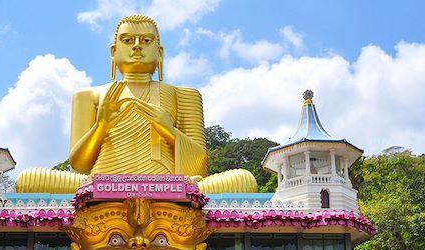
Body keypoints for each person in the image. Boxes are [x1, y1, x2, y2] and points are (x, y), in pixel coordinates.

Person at [14, 14, 257, 194]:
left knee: (244, 180)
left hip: (170, 186)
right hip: (101, 184)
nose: (137, 46)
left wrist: (170, 132)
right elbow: (79, 165)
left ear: (159, 53)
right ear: (113, 51)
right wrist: (101, 127)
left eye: (146, 40)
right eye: (128, 40)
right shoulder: (89, 96)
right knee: (28, 180)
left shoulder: (184, 95)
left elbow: (200, 166)